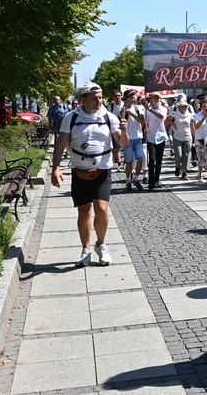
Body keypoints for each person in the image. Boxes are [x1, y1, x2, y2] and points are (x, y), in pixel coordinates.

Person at [50, 82, 128, 267]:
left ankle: (101, 244)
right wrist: (56, 168)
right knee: (84, 210)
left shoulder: (109, 117)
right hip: (79, 171)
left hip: (102, 170)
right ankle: (85, 249)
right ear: (83, 100)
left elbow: (123, 143)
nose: (98, 101)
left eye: (100, 98)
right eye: (94, 98)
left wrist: (124, 131)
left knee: (101, 209)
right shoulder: (71, 117)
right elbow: (61, 143)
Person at [120, 90, 145, 191]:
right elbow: (122, 121)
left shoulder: (138, 108)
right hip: (128, 138)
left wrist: (131, 114)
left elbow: (142, 121)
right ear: (126, 99)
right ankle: (128, 180)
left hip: (138, 137)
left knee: (140, 158)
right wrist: (125, 111)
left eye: (133, 96)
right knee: (129, 161)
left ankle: (136, 178)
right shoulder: (122, 109)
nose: (133, 98)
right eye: (131, 97)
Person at [143, 92, 169, 189]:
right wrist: (146, 126)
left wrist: (150, 110)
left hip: (161, 136)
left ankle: (156, 180)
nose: (157, 100)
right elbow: (146, 121)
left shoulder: (163, 109)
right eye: (155, 98)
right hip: (151, 137)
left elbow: (161, 117)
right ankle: (151, 181)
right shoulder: (147, 110)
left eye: (158, 98)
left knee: (159, 160)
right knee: (152, 160)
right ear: (152, 99)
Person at [168, 99, 194, 180]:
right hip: (177, 137)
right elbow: (166, 120)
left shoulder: (190, 114)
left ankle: (184, 172)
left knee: (186, 155)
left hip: (187, 137)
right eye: (182, 106)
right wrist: (173, 124)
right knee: (179, 155)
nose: (183, 108)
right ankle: (177, 166)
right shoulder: (174, 114)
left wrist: (194, 136)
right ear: (179, 107)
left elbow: (192, 126)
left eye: (185, 106)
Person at [107, 90, 124, 171]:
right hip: (115, 129)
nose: (117, 97)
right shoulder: (111, 106)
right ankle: (119, 163)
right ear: (113, 97)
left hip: (125, 129)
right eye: (116, 96)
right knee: (116, 148)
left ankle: (126, 163)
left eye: (119, 95)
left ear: (121, 96)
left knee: (127, 147)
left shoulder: (125, 105)